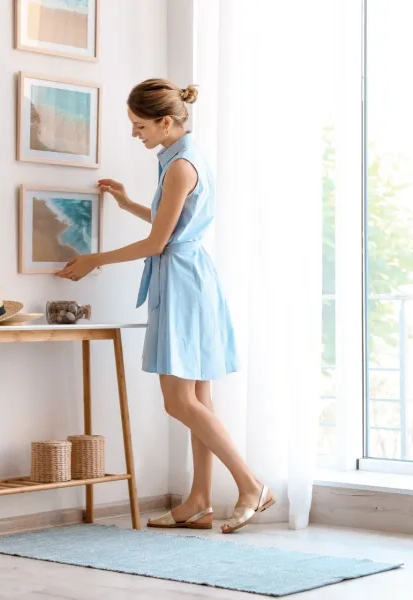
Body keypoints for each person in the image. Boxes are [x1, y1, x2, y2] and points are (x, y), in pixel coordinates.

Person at [56, 78, 273, 533]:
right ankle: (199, 501)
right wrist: (127, 204)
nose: (135, 134)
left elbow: (157, 243)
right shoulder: (183, 159)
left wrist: (95, 259)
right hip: (191, 278)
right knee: (198, 401)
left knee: (179, 402)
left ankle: (251, 485)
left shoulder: (179, 167)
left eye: (140, 126)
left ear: (167, 122)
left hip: (182, 283)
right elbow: (172, 225)